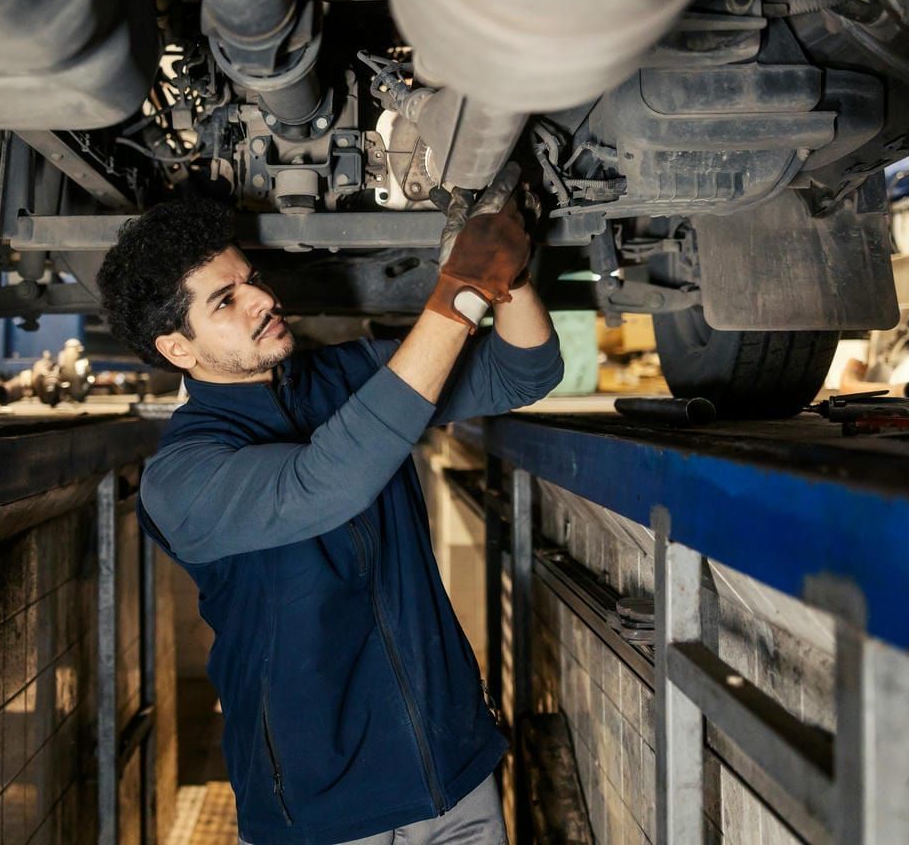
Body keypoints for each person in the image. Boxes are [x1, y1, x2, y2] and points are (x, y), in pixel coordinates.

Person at [95, 166, 563, 845]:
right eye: (225, 302)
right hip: (324, 814)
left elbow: (525, 370)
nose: (260, 298)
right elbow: (324, 482)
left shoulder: (344, 376)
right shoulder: (182, 478)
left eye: (250, 278)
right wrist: (459, 292)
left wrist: (507, 274)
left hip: (454, 772)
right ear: (177, 348)